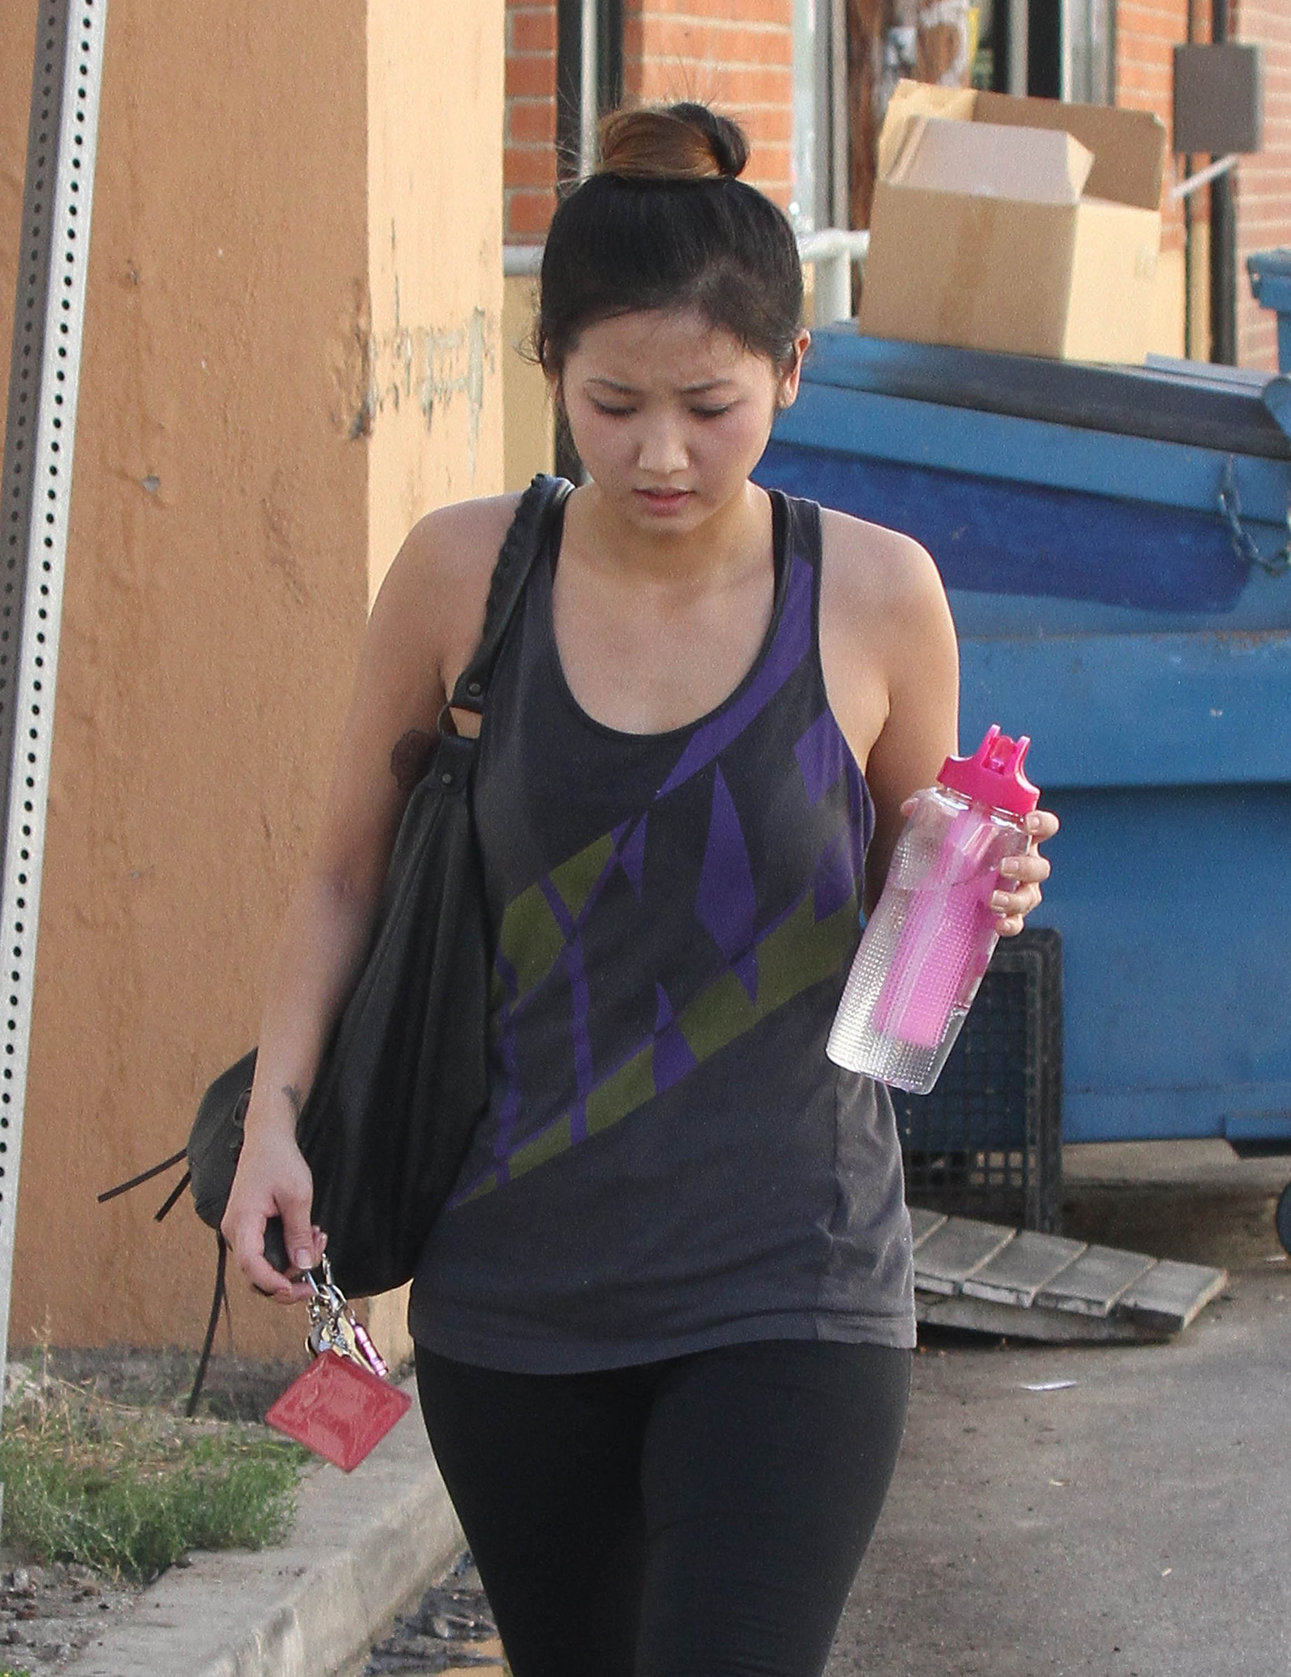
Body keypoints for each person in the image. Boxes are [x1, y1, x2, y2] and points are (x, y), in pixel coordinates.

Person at [223, 101, 1058, 1677]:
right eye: (611, 404)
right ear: (551, 372)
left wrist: (978, 882)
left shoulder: (879, 595)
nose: (659, 452)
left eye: (710, 404)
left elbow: (911, 909)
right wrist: (276, 1118)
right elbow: (342, 872)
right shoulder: (463, 576)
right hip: (514, 1292)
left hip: (792, 1279)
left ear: (795, 373)